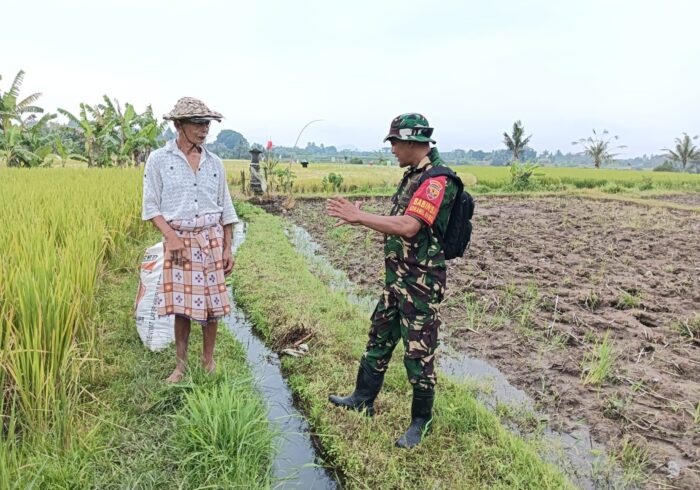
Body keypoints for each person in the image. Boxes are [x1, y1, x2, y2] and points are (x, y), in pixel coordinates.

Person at [326, 113, 458, 448]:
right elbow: (399, 224)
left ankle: (420, 422)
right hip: (397, 280)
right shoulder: (413, 176)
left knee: (418, 353)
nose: (393, 149)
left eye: (395, 142)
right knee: (379, 337)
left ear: (413, 142)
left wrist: (360, 216)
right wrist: (360, 219)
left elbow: (409, 226)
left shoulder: (437, 180)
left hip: (420, 285)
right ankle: (362, 399)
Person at [142, 97, 238, 383]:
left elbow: (226, 207)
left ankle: (208, 361)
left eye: (206, 123)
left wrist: (227, 247)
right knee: (181, 307)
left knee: (212, 305)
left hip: (211, 239)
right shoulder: (159, 160)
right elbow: (150, 206)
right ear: (178, 125)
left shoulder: (214, 163)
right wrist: (171, 237)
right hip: (179, 241)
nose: (204, 129)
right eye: (197, 123)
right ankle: (181, 366)